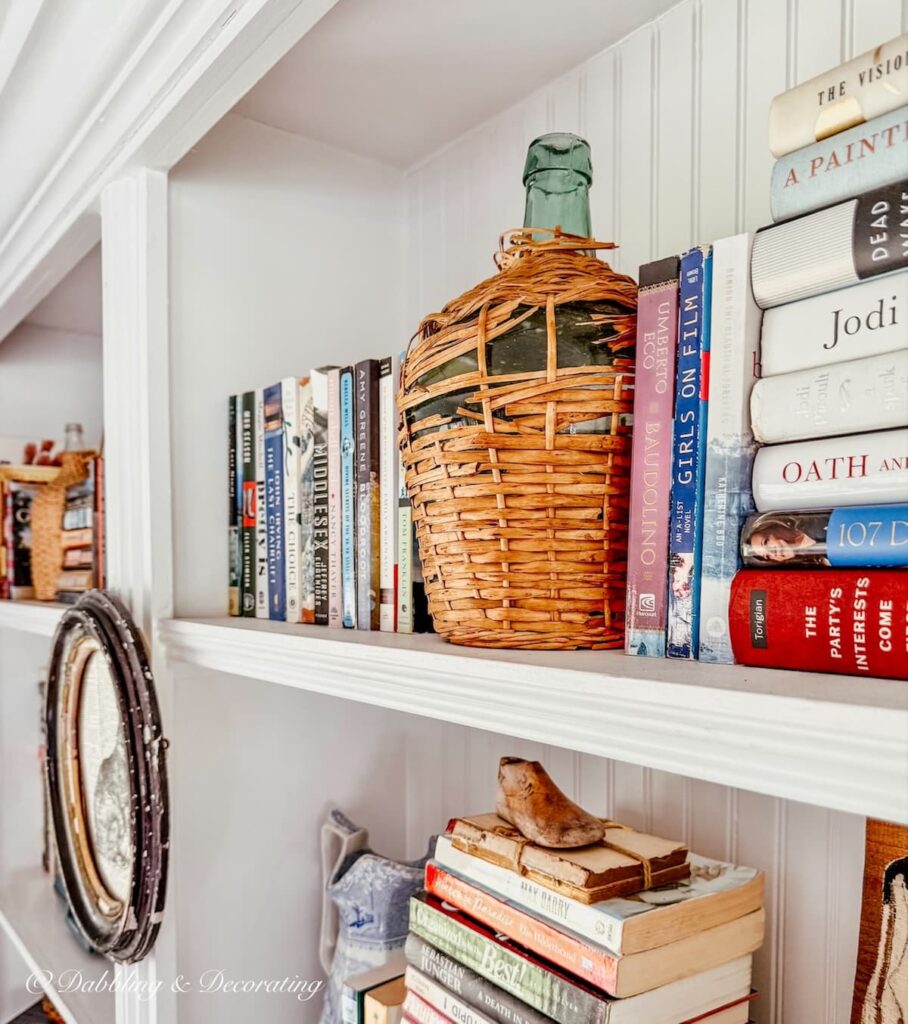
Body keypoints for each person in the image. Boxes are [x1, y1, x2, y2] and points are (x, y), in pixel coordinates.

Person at [741, 512, 831, 566]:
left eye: (765, 542)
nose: (773, 553)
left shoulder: (817, 520)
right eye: (767, 556)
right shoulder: (814, 567)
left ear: (772, 526)